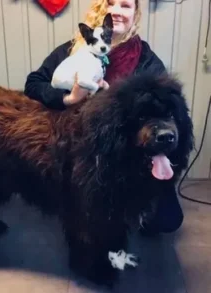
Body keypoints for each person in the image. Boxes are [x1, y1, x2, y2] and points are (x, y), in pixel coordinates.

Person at [24, 0, 184, 236]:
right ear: (101, 9)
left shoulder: (146, 59)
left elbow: (162, 109)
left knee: (167, 220)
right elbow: (34, 84)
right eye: (111, 3)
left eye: (126, 5)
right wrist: (68, 98)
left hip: (128, 152)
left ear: (135, 13)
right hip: (79, 146)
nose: (118, 11)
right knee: (88, 215)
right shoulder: (73, 50)